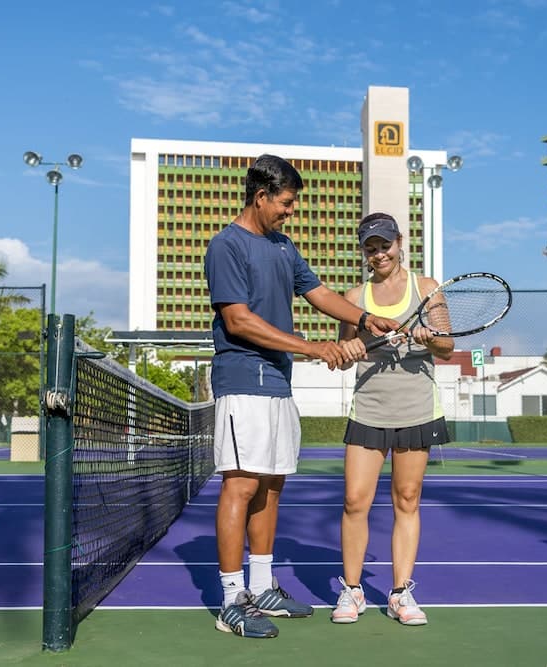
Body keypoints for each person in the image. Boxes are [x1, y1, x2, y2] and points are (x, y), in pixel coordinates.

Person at [204, 155, 399, 639]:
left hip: (278, 382)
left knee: (271, 485)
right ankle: (232, 600)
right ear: (261, 196)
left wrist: (365, 318)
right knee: (241, 486)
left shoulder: (283, 246)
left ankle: (261, 586)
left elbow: (319, 293)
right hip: (242, 379)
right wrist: (313, 347)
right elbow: (238, 320)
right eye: (286, 203)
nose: (291, 211)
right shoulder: (227, 245)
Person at [331, 212, 454, 627]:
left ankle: (400, 593)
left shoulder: (427, 289)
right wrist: (349, 350)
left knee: (407, 499)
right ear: (364, 252)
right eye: (371, 247)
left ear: (400, 242)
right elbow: (343, 356)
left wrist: (428, 337)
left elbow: (447, 347)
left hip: (417, 409)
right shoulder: (353, 297)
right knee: (355, 501)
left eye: (385, 245)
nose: (379, 253)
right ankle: (352, 590)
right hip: (369, 410)